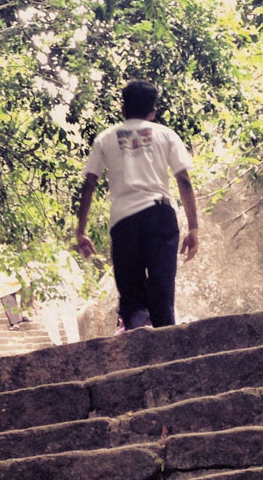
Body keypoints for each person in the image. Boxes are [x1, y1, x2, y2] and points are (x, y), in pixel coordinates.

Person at [75, 79, 199, 330]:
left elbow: (89, 184)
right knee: (162, 290)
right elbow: (183, 179)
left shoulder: (105, 139)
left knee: (132, 296)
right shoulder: (166, 135)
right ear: (152, 112)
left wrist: (81, 231)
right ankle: (168, 355)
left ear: (123, 109)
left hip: (124, 221)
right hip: (160, 216)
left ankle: (139, 355)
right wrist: (194, 227)